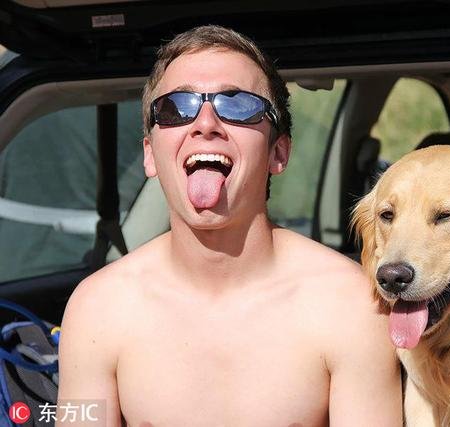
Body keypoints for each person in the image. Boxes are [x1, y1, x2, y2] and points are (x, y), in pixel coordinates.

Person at [56, 25, 402, 426]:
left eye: (238, 105)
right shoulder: (97, 309)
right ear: (150, 154)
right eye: (175, 107)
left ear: (278, 153)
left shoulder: (351, 304)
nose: (205, 122)